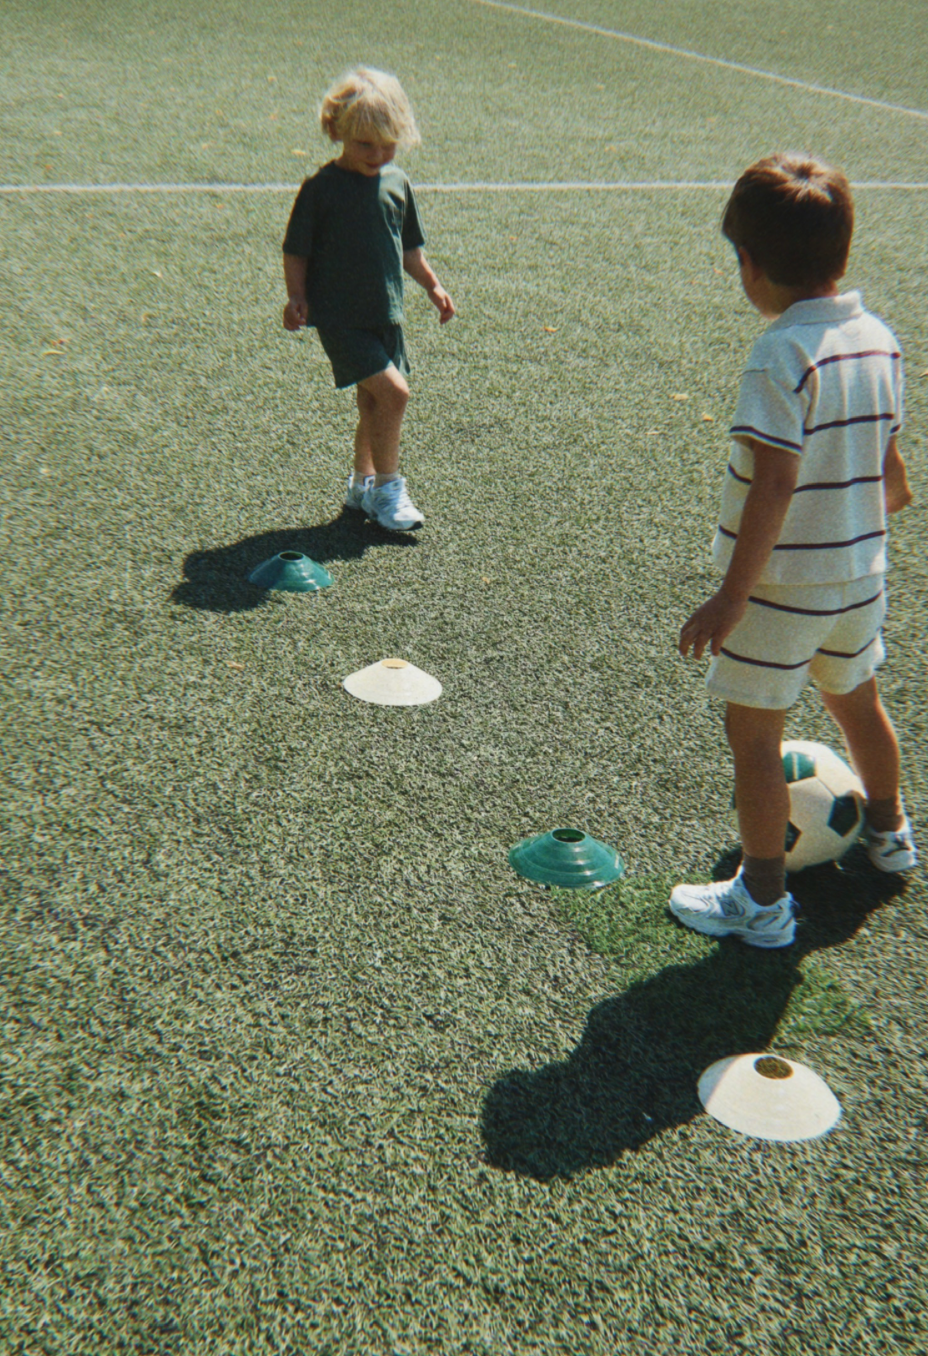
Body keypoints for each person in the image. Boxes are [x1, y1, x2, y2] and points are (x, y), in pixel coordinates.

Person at [671, 152, 917, 949]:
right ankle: (891, 836)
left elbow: (774, 484)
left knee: (755, 739)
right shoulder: (878, 337)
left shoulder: (779, 353)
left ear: (750, 263)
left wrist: (732, 596)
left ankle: (762, 901)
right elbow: (893, 475)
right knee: (858, 702)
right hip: (860, 577)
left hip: (783, 589)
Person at [282, 67, 455, 531]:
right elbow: (296, 250)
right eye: (365, 145)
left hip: (386, 313)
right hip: (340, 317)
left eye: (388, 144)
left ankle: (363, 484)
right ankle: (389, 490)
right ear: (336, 130)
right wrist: (296, 296)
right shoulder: (320, 189)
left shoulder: (397, 183)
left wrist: (433, 287)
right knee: (395, 393)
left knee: (373, 402)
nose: (378, 155)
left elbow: (409, 250)